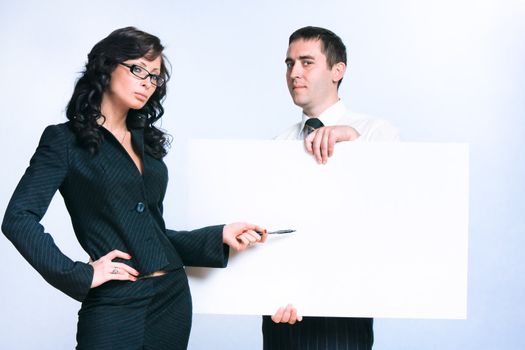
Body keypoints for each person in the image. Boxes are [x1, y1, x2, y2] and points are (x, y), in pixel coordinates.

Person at [1, 27, 267, 350]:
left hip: (171, 299)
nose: (147, 82)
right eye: (138, 69)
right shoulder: (65, 142)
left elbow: (151, 233)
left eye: (154, 76)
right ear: (107, 66)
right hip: (115, 304)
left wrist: (218, 235)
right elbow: (18, 217)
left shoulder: (147, 143)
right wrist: (79, 275)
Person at [262, 26, 399, 349]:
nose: (294, 72)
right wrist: (267, 290)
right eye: (289, 63)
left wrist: (353, 143)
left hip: (343, 312)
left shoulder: (375, 133)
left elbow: (392, 205)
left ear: (338, 70)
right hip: (282, 312)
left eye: (306, 62)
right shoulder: (276, 145)